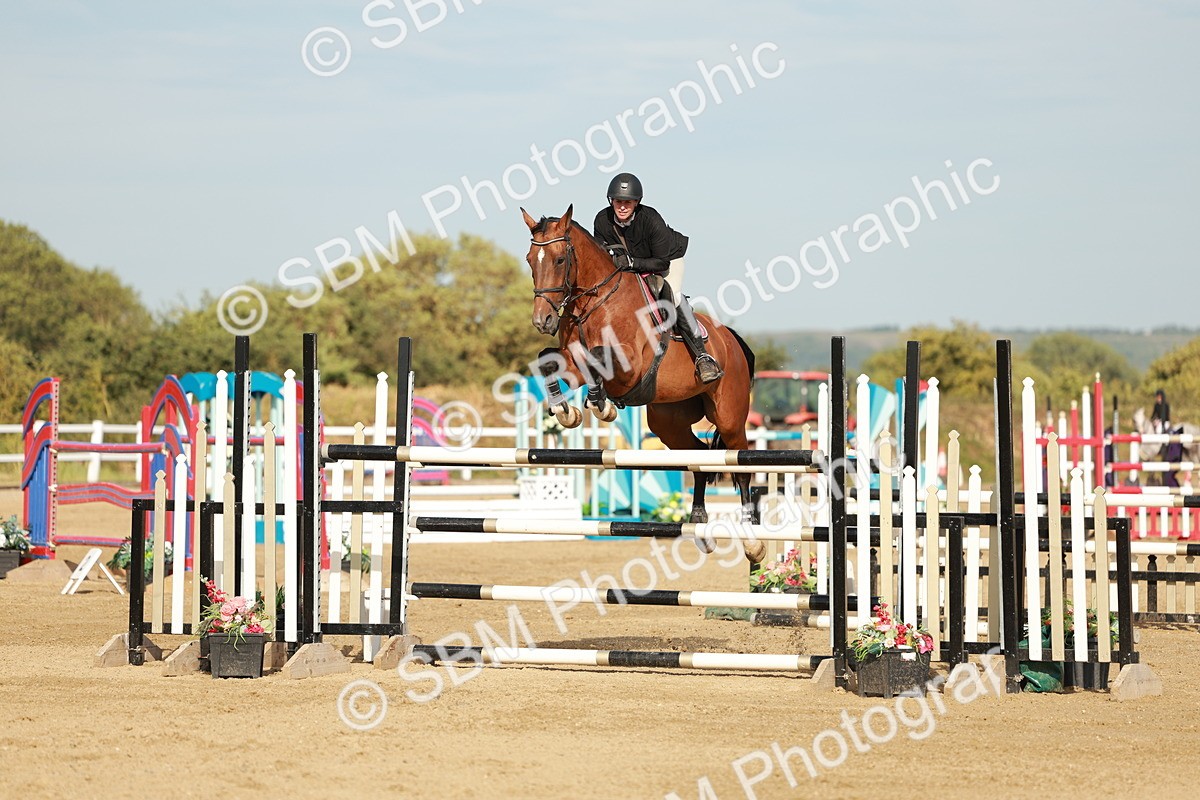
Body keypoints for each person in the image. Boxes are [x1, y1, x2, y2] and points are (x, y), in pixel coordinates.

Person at [592, 172, 723, 384]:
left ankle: (702, 356)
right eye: (618, 201)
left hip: (666, 261)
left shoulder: (650, 219)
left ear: (636, 203)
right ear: (611, 201)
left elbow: (662, 262)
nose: (622, 206)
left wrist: (633, 263)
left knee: (674, 296)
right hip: (629, 270)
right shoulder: (602, 220)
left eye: (627, 202)